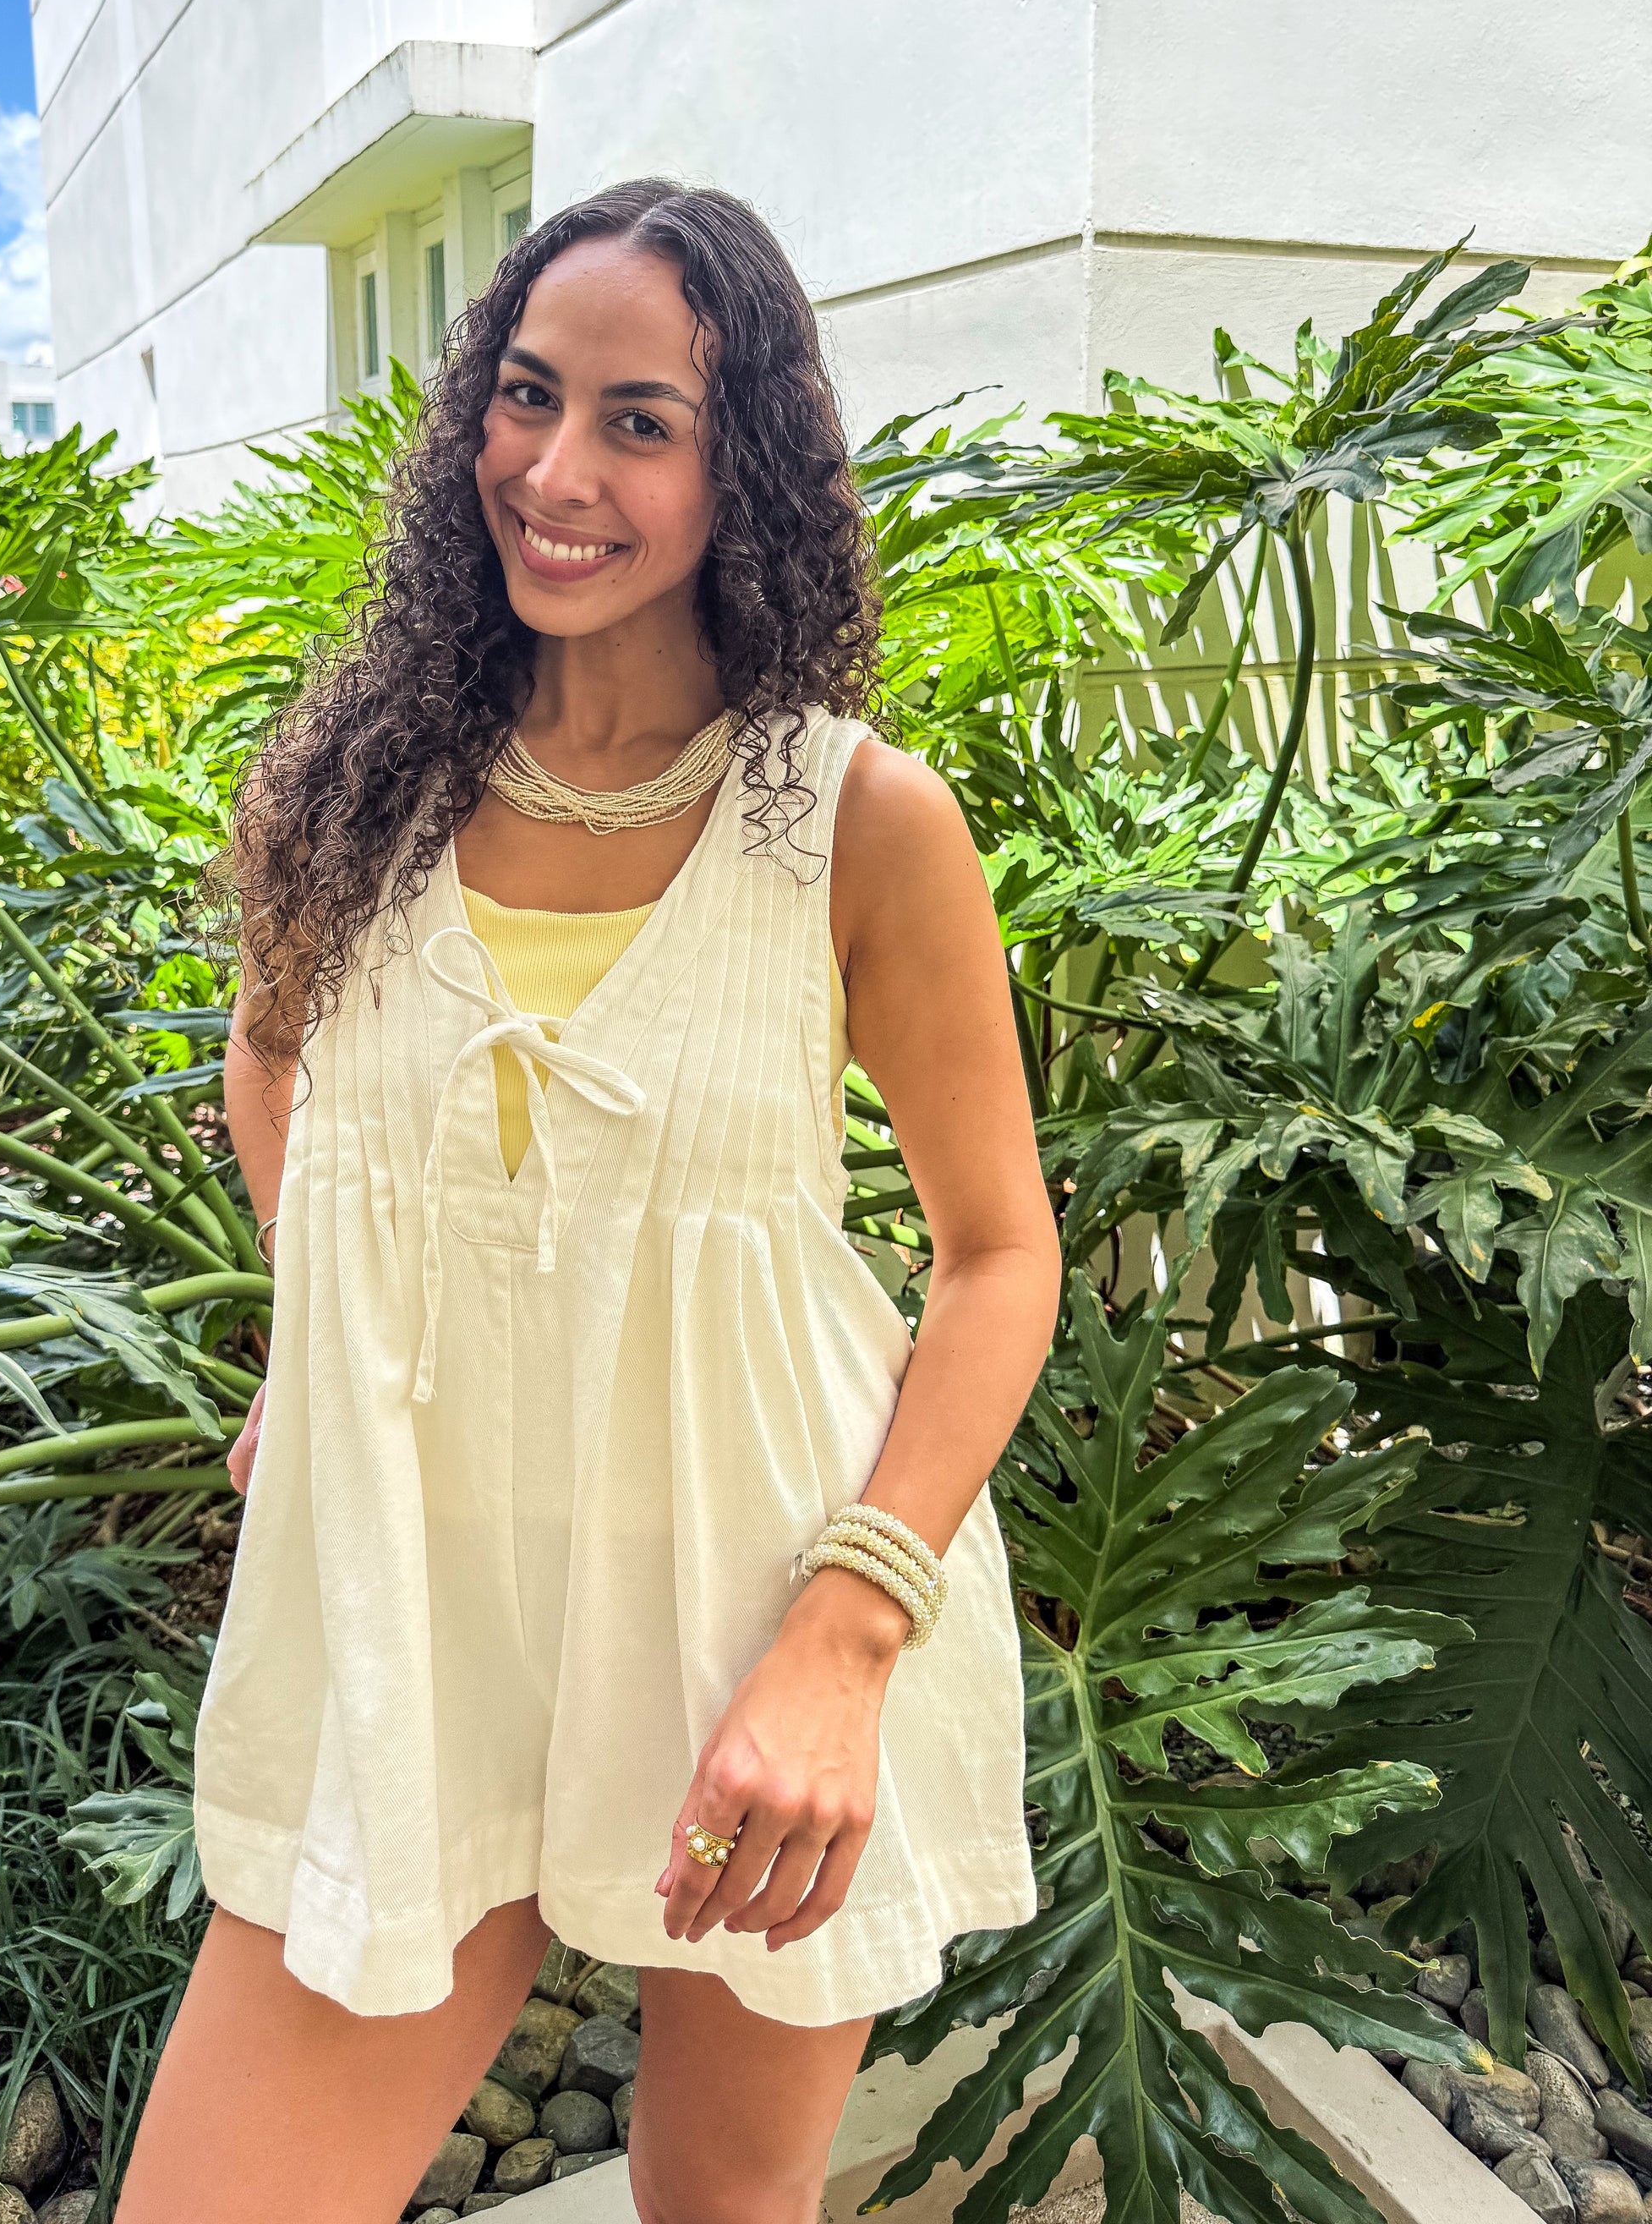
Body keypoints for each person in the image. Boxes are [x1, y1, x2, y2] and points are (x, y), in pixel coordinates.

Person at [117, 181, 1059, 2224]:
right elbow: (271, 1063)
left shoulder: (854, 823)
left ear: (748, 468)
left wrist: (846, 1637)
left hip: (755, 1606)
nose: (556, 472)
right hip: (416, 1616)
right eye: (530, 395)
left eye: (643, 421)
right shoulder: (352, 780)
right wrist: (323, 1328)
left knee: (722, 2205)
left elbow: (1000, 1256)